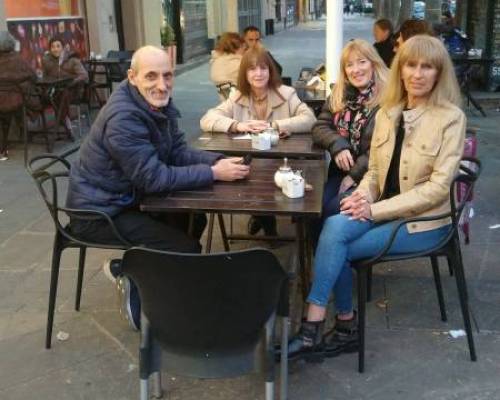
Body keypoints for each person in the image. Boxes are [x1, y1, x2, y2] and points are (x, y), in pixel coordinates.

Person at [286, 35, 465, 361]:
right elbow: (375, 172)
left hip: (423, 223)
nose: (418, 74)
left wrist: (373, 207)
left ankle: (327, 328)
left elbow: (437, 190)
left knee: (336, 245)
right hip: (382, 207)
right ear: (400, 69)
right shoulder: (388, 112)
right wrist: (361, 194)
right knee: (335, 225)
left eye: (428, 67)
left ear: (439, 73)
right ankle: (329, 325)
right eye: (411, 65)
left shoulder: (450, 118)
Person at [66, 46, 250, 329]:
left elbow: (177, 152)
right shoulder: (124, 119)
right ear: (132, 76)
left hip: (123, 199)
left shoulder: (154, 104)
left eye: (167, 76)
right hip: (98, 213)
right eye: (151, 76)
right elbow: (153, 179)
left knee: (193, 219)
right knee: (184, 245)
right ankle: (147, 295)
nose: (161, 85)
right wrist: (213, 172)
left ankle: (152, 281)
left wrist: (220, 160)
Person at [200, 47, 316, 236]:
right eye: (252, 69)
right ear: (245, 74)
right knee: (248, 172)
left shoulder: (286, 93)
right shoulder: (236, 96)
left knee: (261, 175)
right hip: (252, 162)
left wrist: (274, 124)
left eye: (263, 68)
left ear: (270, 71)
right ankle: (264, 217)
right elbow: (206, 120)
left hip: (283, 161)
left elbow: (310, 119)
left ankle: (265, 217)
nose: (258, 74)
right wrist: (238, 125)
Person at [311, 39, 388, 243]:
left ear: (373, 63)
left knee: (331, 209)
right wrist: (338, 145)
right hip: (340, 173)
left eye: (362, 62)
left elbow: (381, 149)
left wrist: (354, 175)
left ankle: (333, 259)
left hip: (372, 178)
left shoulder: (388, 98)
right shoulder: (340, 95)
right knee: (312, 207)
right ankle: (318, 260)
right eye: (349, 65)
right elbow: (319, 127)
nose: (356, 70)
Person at [0, 31, 38, 160]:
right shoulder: (18, 60)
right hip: (16, 103)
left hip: (2, 104)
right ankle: (24, 132)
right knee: (25, 99)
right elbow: (34, 77)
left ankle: (4, 146)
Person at [42, 36, 88, 136]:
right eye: (53, 47)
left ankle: (63, 121)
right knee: (51, 96)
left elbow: (84, 75)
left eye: (58, 46)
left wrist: (71, 82)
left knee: (63, 94)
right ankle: (64, 121)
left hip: (73, 89)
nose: (55, 49)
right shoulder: (47, 61)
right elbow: (44, 77)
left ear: (63, 48)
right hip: (55, 90)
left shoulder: (72, 60)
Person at [209, 32, 245, 100]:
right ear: (236, 48)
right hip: (241, 100)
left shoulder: (216, 61)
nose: (244, 50)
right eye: (243, 47)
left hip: (226, 100)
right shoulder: (238, 63)